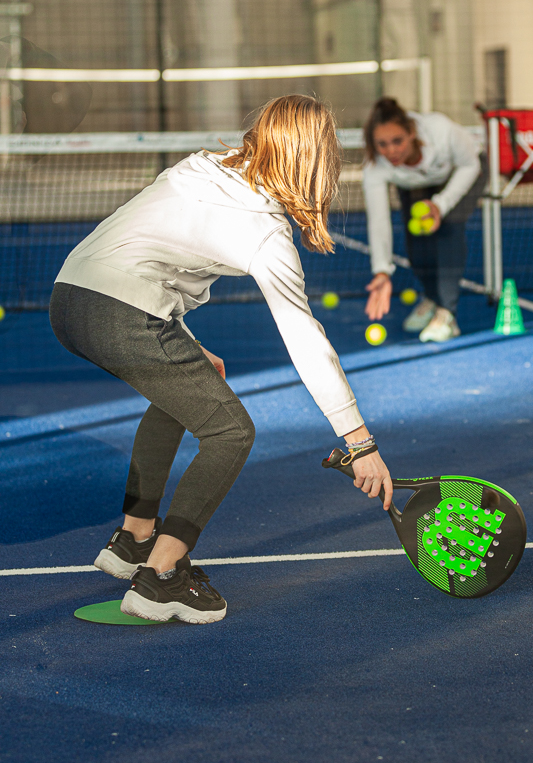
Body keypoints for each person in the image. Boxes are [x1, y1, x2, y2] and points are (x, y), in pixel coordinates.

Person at [49, 95, 393, 625]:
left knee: (195, 386)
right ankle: (162, 575)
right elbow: (304, 337)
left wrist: (179, 334)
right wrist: (358, 440)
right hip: (121, 311)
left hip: (70, 296)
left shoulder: (203, 166)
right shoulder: (265, 233)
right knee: (231, 432)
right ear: (315, 159)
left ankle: (134, 539)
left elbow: (142, 248)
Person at [362, 97, 484, 342]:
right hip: (415, 183)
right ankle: (431, 296)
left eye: (397, 141)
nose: (391, 151)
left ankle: (447, 313)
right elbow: (378, 220)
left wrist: (440, 205)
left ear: (412, 133)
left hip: (465, 169)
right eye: (382, 144)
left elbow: (470, 165)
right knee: (416, 239)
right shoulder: (376, 166)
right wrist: (382, 271)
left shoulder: (441, 130)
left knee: (448, 228)